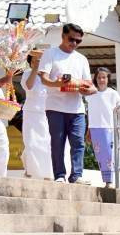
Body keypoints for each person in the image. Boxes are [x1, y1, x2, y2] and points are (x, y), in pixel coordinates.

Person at [37, 23, 95, 184]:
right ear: (62, 36)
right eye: (71, 39)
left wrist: (86, 89)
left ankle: (77, 175)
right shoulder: (50, 54)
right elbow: (44, 78)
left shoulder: (81, 59)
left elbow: (88, 83)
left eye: (78, 41)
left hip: (77, 107)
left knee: (78, 143)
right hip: (55, 106)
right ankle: (59, 175)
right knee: (58, 142)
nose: (74, 44)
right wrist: (59, 84)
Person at [84, 67, 120, 185]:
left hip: (108, 128)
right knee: (99, 156)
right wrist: (88, 130)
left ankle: (109, 181)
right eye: (99, 77)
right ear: (95, 78)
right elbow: (90, 112)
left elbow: (118, 111)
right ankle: (106, 181)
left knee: (109, 155)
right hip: (94, 128)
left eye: (104, 77)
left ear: (108, 78)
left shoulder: (113, 94)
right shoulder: (91, 93)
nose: (101, 80)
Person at [20, 49, 52, 179]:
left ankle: (47, 173)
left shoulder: (49, 75)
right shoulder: (27, 73)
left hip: (47, 113)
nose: (37, 62)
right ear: (30, 63)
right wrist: (36, 68)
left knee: (47, 144)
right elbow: (29, 86)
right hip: (32, 113)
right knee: (32, 143)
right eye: (34, 61)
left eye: (39, 60)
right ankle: (31, 171)